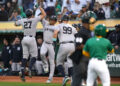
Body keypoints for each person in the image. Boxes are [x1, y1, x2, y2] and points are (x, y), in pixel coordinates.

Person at [15, 7, 46, 82]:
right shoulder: (34, 19)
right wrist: (40, 8)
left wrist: (20, 20)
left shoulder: (23, 20)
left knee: (25, 56)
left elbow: (15, 24)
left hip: (24, 39)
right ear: (32, 14)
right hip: (31, 39)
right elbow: (44, 14)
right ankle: (29, 68)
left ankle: (22, 69)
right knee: (34, 56)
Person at [70, 11, 97, 86]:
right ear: (86, 21)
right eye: (91, 22)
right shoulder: (82, 32)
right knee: (77, 81)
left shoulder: (90, 31)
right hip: (80, 59)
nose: (93, 23)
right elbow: (78, 45)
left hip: (86, 59)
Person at [53, 15, 77, 86]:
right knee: (70, 63)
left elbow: (55, 33)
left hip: (63, 44)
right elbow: (77, 35)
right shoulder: (72, 27)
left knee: (58, 62)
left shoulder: (59, 25)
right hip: (72, 45)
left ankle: (65, 76)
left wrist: (54, 40)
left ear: (62, 19)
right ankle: (72, 79)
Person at [40, 15, 57, 83]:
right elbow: (41, 17)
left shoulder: (56, 27)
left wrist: (54, 41)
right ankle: (45, 65)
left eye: (53, 20)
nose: (51, 20)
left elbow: (55, 36)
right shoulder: (46, 23)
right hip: (45, 43)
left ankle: (50, 78)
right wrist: (39, 7)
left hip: (51, 44)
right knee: (42, 53)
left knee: (52, 62)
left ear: (55, 21)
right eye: (50, 19)